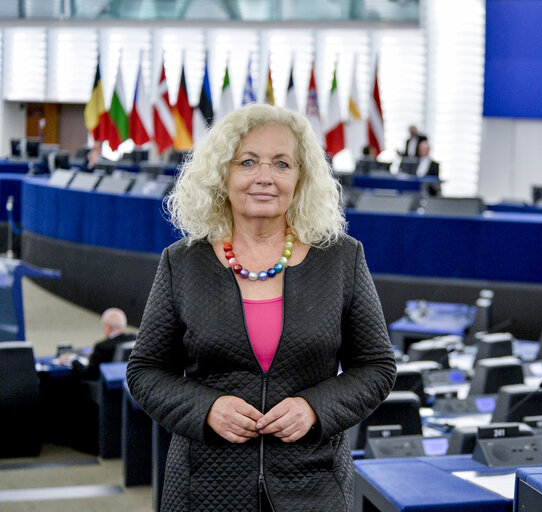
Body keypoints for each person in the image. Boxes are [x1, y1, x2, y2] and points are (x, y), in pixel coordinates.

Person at [126, 103, 396, 512]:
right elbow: (145, 372)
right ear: (223, 174)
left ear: (300, 177)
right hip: (206, 488)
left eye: (282, 164)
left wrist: (315, 408)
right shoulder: (182, 262)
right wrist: (207, 408)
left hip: (313, 485)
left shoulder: (342, 258)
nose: (265, 177)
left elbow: (377, 367)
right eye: (248, 162)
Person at [56, 307, 135, 381]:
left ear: (108, 327)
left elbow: (88, 374)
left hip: (100, 389)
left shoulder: (102, 347)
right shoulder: (134, 339)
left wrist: (73, 360)